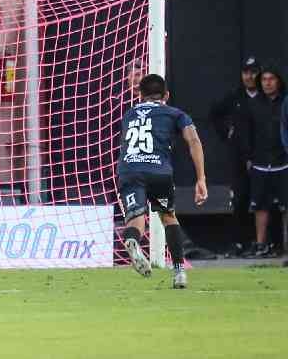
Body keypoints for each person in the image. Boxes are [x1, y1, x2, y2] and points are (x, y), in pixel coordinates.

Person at [117, 74, 207, 289]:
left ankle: (133, 241)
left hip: (130, 170)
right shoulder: (175, 114)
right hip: (158, 171)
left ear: (140, 95)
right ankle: (178, 272)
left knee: (136, 219)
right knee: (168, 217)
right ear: (166, 95)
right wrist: (201, 178)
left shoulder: (129, 114)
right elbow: (193, 140)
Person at [209, 57, 261, 255]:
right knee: (240, 199)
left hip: (264, 157)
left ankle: (263, 242)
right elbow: (214, 114)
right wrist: (226, 132)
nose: (250, 77)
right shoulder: (235, 97)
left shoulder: (266, 97)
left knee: (263, 200)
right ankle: (240, 242)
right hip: (238, 157)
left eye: (253, 72)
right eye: (246, 72)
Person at [246, 69, 286, 258]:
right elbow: (247, 133)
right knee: (260, 206)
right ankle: (261, 244)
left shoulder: (285, 102)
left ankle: (285, 245)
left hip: (283, 162)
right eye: (264, 79)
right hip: (260, 163)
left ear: (279, 81)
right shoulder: (254, 104)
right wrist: (249, 156)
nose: (268, 83)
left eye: (272, 79)